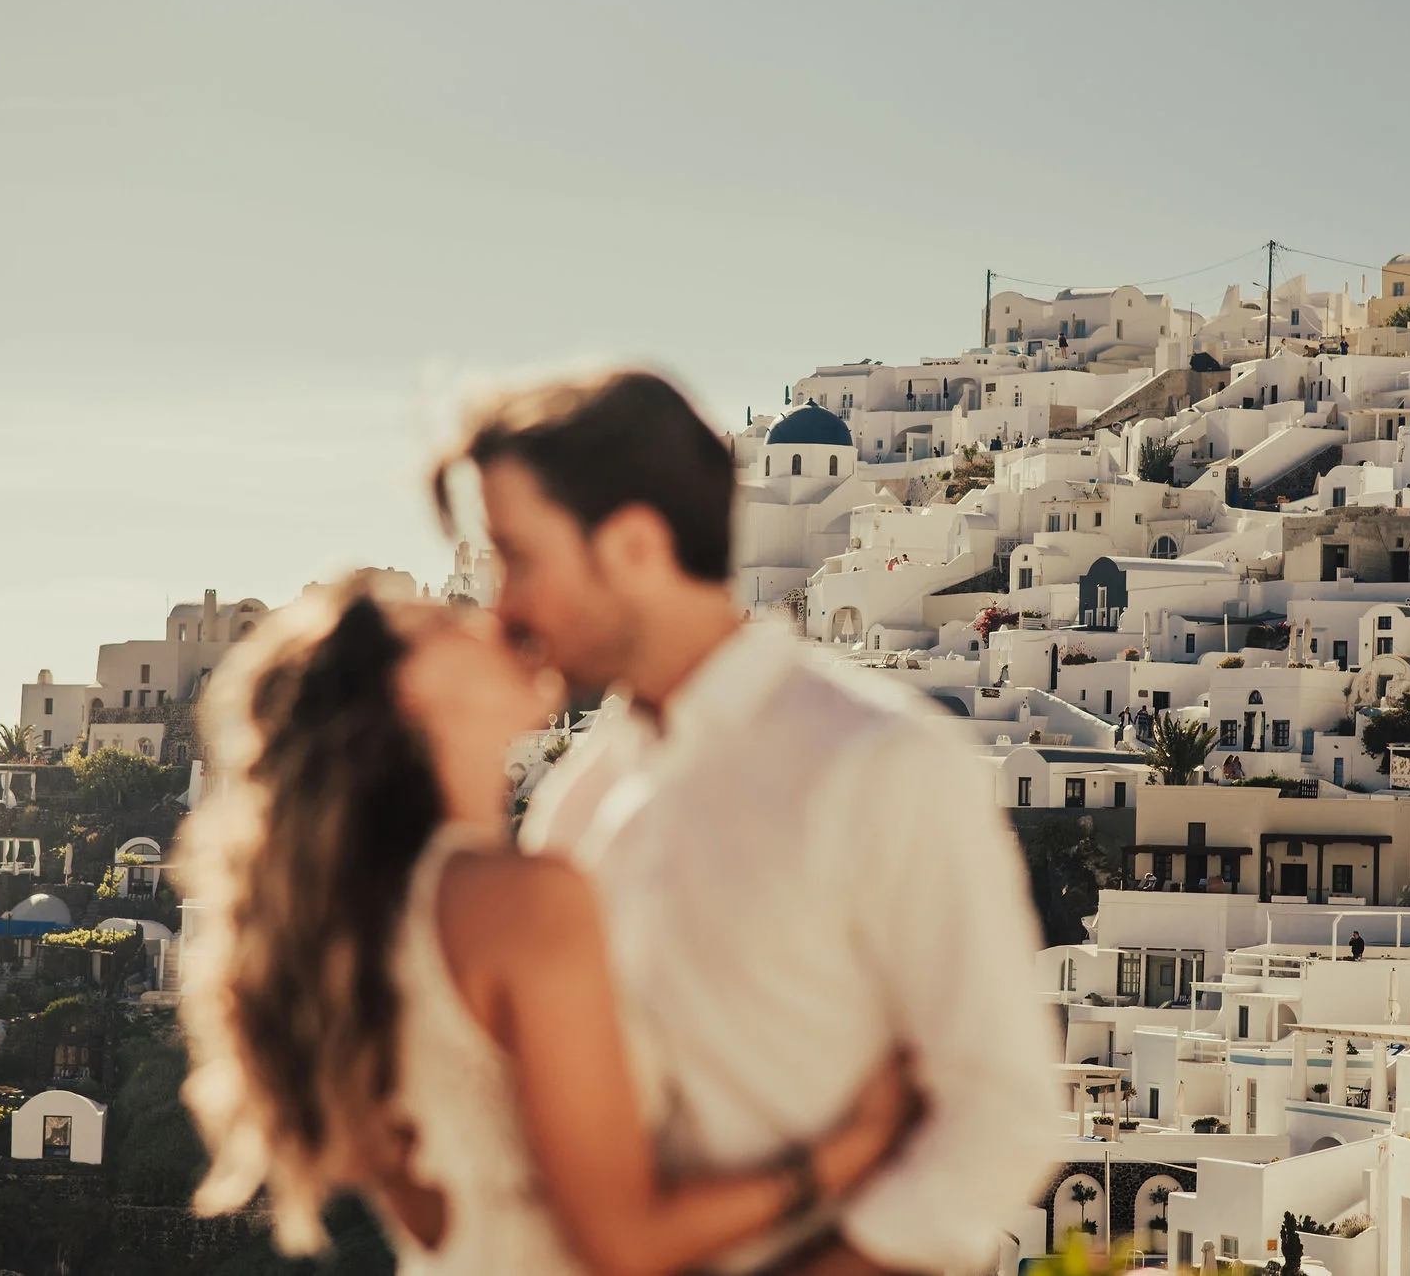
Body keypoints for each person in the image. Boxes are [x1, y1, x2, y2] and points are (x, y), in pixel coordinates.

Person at [436, 371, 1058, 1275]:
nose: (504, 606)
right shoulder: (576, 796)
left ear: (635, 547)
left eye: (521, 558)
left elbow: (1002, 1114)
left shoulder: (880, 762)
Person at [173, 581, 916, 1274]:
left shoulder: (392, 913)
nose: (493, 620)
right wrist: (847, 1152)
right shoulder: (511, 900)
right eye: (451, 622)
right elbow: (627, 1240)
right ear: (413, 692)